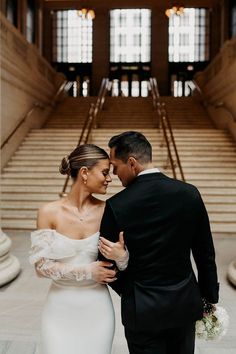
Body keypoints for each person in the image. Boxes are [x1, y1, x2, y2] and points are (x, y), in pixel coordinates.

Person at [98, 131, 219, 354]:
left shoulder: (117, 205)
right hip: (183, 305)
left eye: (115, 166)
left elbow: (106, 265)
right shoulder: (189, 194)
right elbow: (205, 253)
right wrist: (209, 299)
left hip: (141, 312)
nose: (114, 174)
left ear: (132, 163)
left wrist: (130, 290)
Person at [29, 144, 128, 354]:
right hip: (59, 308)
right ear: (84, 172)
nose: (110, 178)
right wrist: (87, 271)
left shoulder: (108, 211)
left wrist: (123, 257)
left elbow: (121, 262)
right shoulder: (49, 212)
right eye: (104, 172)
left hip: (97, 309)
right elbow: (40, 266)